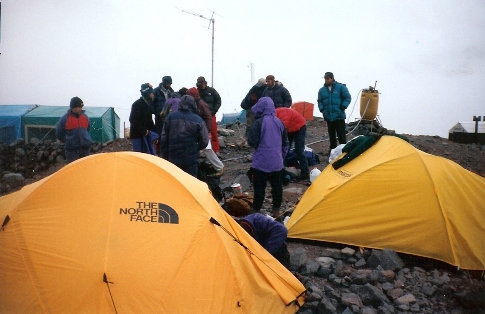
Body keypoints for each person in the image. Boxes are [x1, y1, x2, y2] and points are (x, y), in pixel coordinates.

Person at [247, 97, 289, 218]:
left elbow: (252, 142)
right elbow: (286, 143)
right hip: (277, 162)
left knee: (259, 188)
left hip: (261, 162)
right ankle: (276, 211)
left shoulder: (258, 123)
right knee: (277, 187)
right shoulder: (279, 122)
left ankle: (256, 211)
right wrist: (281, 156)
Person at [160, 95, 209, 177]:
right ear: (193, 104)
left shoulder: (170, 117)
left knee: (175, 181)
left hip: (173, 156)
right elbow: (205, 140)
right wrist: (196, 148)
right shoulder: (198, 120)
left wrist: (164, 155)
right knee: (191, 181)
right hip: (191, 157)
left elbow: (164, 138)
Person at [317, 72, 351, 152]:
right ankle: (333, 151)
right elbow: (320, 101)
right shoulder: (321, 90)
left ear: (332, 78)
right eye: (325, 78)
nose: (326, 80)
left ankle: (344, 151)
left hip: (339, 115)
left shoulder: (341, 87)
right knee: (331, 135)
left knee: (341, 135)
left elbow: (347, 97)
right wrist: (322, 110)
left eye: (328, 78)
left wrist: (343, 106)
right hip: (328, 116)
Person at [275, 107, 309, 180]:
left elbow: (282, 129)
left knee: (299, 150)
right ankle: (283, 169)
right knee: (285, 149)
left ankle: (305, 173)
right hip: (290, 128)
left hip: (300, 126)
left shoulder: (282, 115)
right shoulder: (274, 115)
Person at [56, 96, 92, 163]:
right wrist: (68, 142)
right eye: (78, 107)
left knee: (85, 169)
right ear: (73, 107)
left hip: (85, 149)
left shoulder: (85, 117)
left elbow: (88, 130)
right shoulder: (65, 119)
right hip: (72, 151)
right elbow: (59, 134)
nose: (80, 109)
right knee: (74, 171)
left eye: (81, 107)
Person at [129, 83, 157, 154]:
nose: (153, 95)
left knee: (148, 156)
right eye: (151, 93)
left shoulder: (148, 104)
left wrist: (154, 133)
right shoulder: (137, 105)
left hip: (146, 135)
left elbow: (149, 121)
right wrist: (143, 131)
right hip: (137, 136)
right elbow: (133, 120)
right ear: (147, 94)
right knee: (139, 157)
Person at [196, 76, 222, 152]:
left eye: (202, 83)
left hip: (211, 115)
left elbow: (218, 100)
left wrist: (214, 110)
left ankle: (216, 150)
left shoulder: (212, 91)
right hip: (200, 117)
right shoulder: (197, 92)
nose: (201, 85)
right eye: (199, 84)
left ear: (205, 83)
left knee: (214, 133)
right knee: (200, 133)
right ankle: (202, 150)